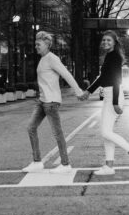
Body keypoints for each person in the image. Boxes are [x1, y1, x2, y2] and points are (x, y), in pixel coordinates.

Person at [23, 30, 87, 174]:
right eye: (35, 44)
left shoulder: (52, 58)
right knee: (31, 127)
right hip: (42, 101)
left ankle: (65, 164)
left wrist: (78, 91)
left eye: (38, 44)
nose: (36, 47)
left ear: (46, 44)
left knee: (57, 133)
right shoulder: (43, 59)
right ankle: (37, 162)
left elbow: (67, 74)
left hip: (51, 102)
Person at [82, 29, 129, 174]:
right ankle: (109, 166)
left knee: (105, 132)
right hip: (109, 95)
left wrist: (115, 102)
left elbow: (117, 80)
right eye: (104, 40)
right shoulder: (109, 56)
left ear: (115, 42)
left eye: (109, 40)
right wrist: (88, 92)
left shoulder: (114, 56)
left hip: (113, 96)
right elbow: (102, 78)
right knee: (107, 132)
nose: (105, 42)